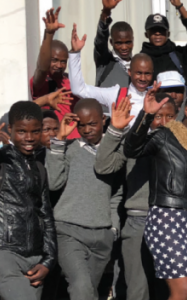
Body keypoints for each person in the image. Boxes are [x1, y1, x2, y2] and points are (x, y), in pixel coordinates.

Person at [124, 84, 187, 300]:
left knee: (184, 290)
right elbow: (132, 149)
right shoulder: (165, 135)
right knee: (182, 290)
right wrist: (146, 116)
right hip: (167, 218)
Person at [93, 94, 177, 300]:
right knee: (138, 289)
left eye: (170, 116)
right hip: (139, 221)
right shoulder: (134, 143)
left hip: (173, 223)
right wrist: (115, 130)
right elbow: (104, 166)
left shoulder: (184, 145)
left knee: (170, 290)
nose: (164, 122)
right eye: (158, 117)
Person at [45, 98, 123, 300]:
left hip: (101, 235)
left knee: (89, 292)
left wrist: (113, 228)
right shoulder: (67, 147)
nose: (87, 129)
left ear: (104, 120)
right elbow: (53, 183)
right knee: (81, 288)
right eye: (81, 124)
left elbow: (116, 194)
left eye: (92, 123)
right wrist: (59, 141)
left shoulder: (114, 150)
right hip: (68, 232)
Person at [0, 102, 56, 300]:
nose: (29, 138)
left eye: (35, 131)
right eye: (22, 131)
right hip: (5, 254)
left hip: (34, 259)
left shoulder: (40, 168)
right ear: (9, 130)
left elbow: (46, 216)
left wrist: (48, 261)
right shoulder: (3, 162)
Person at [69, 24, 153, 127]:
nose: (143, 78)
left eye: (147, 73)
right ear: (130, 72)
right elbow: (79, 90)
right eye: (138, 73)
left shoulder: (156, 98)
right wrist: (75, 53)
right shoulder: (115, 94)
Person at [30, 7, 81, 139]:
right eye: (54, 60)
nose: (59, 65)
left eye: (63, 62)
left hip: (74, 142)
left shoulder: (69, 81)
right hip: (51, 142)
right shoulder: (43, 81)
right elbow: (42, 68)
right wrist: (49, 34)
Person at [140, 0, 187, 82]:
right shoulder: (141, 60)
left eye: (161, 30)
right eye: (153, 31)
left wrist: (180, 7)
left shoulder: (180, 55)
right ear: (146, 35)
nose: (158, 33)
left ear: (168, 33)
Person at [94, 0, 134, 88]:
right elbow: (100, 41)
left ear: (133, 41)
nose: (124, 47)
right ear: (111, 42)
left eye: (128, 42)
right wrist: (105, 12)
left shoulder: (137, 65)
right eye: (119, 43)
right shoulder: (105, 61)